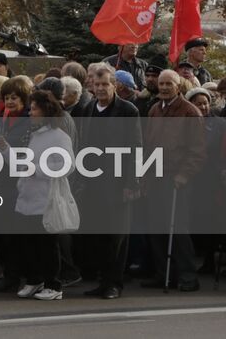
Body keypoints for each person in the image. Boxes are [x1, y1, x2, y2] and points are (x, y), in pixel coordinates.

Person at [74, 63, 141, 299]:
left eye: (106, 84)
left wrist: (131, 183)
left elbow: (135, 149)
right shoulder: (89, 108)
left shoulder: (128, 110)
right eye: (97, 84)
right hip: (93, 182)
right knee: (97, 236)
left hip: (117, 182)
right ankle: (102, 281)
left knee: (116, 237)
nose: (101, 88)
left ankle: (114, 283)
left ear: (115, 86)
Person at [141, 70, 204, 292]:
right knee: (156, 228)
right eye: (162, 83)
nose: (165, 87)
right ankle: (164, 273)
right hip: (156, 176)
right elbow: (148, 146)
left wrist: (183, 175)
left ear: (178, 86)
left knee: (177, 230)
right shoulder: (155, 110)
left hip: (177, 179)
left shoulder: (190, 112)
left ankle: (187, 276)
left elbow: (197, 150)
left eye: (169, 83)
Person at [9, 90, 74, 301]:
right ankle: (34, 279)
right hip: (27, 195)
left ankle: (54, 285)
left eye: (34, 108)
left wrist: (36, 170)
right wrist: (5, 152)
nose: (30, 112)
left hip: (45, 198)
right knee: (27, 242)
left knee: (46, 244)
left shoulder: (59, 136)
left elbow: (66, 165)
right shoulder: (36, 134)